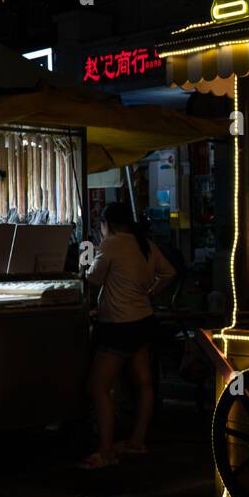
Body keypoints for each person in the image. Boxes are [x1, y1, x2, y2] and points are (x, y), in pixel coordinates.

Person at [80, 201, 177, 469]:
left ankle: (106, 451)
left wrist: (85, 263)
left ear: (106, 224)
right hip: (143, 321)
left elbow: (93, 279)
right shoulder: (144, 244)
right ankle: (137, 441)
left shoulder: (112, 243)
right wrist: (149, 294)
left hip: (118, 325)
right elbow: (169, 273)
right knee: (143, 383)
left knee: (98, 387)